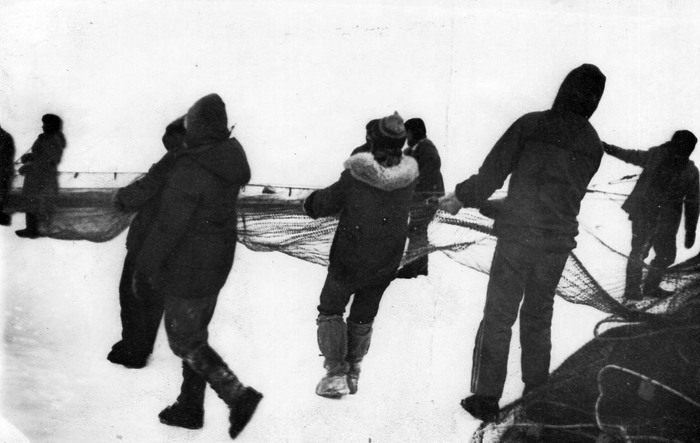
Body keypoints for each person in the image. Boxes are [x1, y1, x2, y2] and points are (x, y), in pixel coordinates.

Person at [438, 64, 607, 421]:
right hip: (556, 244)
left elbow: (492, 174)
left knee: (499, 316)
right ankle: (537, 394)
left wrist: (462, 197)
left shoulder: (531, 124)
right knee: (538, 317)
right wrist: (503, 205)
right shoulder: (593, 144)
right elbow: (559, 195)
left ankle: (486, 397)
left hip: (518, 238)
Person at [134, 94, 261, 438]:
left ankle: (238, 395)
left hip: (187, 268)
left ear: (199, 127)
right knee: (195, 334)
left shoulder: (193, 169)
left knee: (184, 341)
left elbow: (168, 226)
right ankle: (190, 407)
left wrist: (145, 268)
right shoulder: (224, 158)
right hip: (214, 263)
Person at [304, 112, 418, 398]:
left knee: (331, 309)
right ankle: (353, 372)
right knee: (364, 315)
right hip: (386, 260)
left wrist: (310, 203)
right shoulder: (409, 178)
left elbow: (327, 201)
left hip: (350, 257)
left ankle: (335, 375)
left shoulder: (358, 173)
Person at [107, 116, 187, 369]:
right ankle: (138, 346)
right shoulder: (199, 163)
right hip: (173, 244)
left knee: (132, 294)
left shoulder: (174, 160)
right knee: (152, 297)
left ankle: (134, 350)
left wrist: (121, 197)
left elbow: (145, 188)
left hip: (149, 239)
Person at [603, 131, 699, 300]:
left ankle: (651, 288)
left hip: (668, 221)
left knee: (666, 255)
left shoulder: (691, 171)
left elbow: (693, 203)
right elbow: (631, 155)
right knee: (639, 251)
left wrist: (690, 231)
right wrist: (607, 148)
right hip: (645, 213)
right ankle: (632, 290)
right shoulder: (657, 155)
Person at [396, 118, 444, 278]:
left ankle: (411, 268)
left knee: (416, 229)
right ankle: (421, 267)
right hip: (423, 198)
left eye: (407, 133)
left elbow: (428, 175)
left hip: (427, 198)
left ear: (413, 132)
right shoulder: (416, 149)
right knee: (419, 230)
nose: (405, 137)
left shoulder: (426, 148)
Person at [16, 114, 66, 238]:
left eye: (46, 124)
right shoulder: (46, 138)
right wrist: (29, 157)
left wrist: (29, 165)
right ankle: (31, 228)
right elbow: (40, 155)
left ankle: (34, 230)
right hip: (36, 176)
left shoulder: (54, 140)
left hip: (42, 177)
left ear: (53, 125)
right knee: (32, 202)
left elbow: (50, 160)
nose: (43, 126)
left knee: (37, 202)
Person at [0, 123, 15, 226]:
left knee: (2, 194)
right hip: (4, 170)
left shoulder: (5, 137)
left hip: (3, 171)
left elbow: (6, 156)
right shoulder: (5, 136)